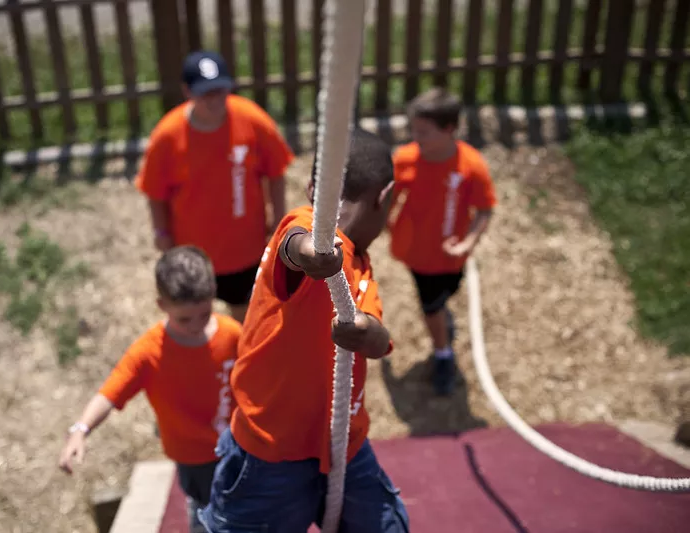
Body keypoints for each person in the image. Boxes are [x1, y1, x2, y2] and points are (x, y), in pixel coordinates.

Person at [198, 128, 410, 532]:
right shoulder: (306, 224)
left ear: (314, 184)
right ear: (386, 198)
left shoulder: (362, 268)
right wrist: (312, 253)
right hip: (270, 454)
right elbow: (294, 244)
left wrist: (368, 332)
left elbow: (380, 338)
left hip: (342, 446)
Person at [57, 246, 241, 533]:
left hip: (238, 445)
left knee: (243, 510)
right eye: (184, 319)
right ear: (162, 305)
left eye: (204, 314)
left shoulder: (232, 334)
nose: (196, 325)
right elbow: (111, 392)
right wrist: (81, 428)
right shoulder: (149, 353)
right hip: (195, 458)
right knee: (208, 517)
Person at [134, 50, 295, 323]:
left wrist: (278, 217)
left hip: (244, 248)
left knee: (244, 315)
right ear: (187, 92)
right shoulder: (167, 137)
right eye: (205, 93)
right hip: (193, 252)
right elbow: (154, 191)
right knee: (197, 320)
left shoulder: (251, 119)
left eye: (220, 90)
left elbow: (276, 171)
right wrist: (161, 232)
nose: (215, 100)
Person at [388, 87, 497, 396]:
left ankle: (441, 323)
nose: (415, 137)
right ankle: (443, 354)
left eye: (423, 131)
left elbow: (485, 208)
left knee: (447, 294)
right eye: (413, 130)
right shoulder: (405, 160)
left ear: (449, 129)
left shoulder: (470, 166)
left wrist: (468, 243)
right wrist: (383, 224)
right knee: (432, 306)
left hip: (452, 256)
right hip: (419, 255)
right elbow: (387, 201)